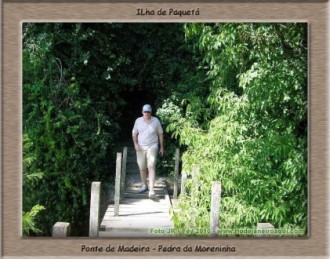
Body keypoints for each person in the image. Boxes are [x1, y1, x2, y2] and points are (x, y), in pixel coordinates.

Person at [132, 104, 164, 198]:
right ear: (142, 112)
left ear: (151, 112)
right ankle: (145, 185)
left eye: (148, 112)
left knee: (151, 166)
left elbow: (160, 134)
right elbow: (134, 133)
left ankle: (151, 190)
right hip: (141, 147)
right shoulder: (138, 121)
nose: (146, 113)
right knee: (142, 167)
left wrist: (161, 147)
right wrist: (135, 144)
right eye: (145, 111)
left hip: (152, 146)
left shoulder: (156, 121)